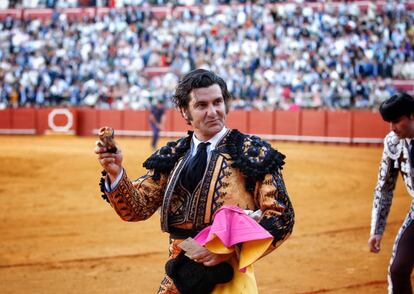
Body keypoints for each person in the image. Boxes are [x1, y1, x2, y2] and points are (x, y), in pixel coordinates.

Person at [95, 69, 295, 293]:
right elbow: (138, 209)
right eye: (201, 106)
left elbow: (281, 216)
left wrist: (228, 248)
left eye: (218, 102)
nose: (213, 112)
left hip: (227, 280)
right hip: (179, 275)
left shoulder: (252, 152)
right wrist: (115, 173)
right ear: (184, 111)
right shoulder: (173, 154)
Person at [368, 92, 414, 294]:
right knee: (398, 270)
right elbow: (384, 187)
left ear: (412, 116)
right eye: (389, 123)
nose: (392, 129)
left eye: (396, 121)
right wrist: (377, 230)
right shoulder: (393, 143)